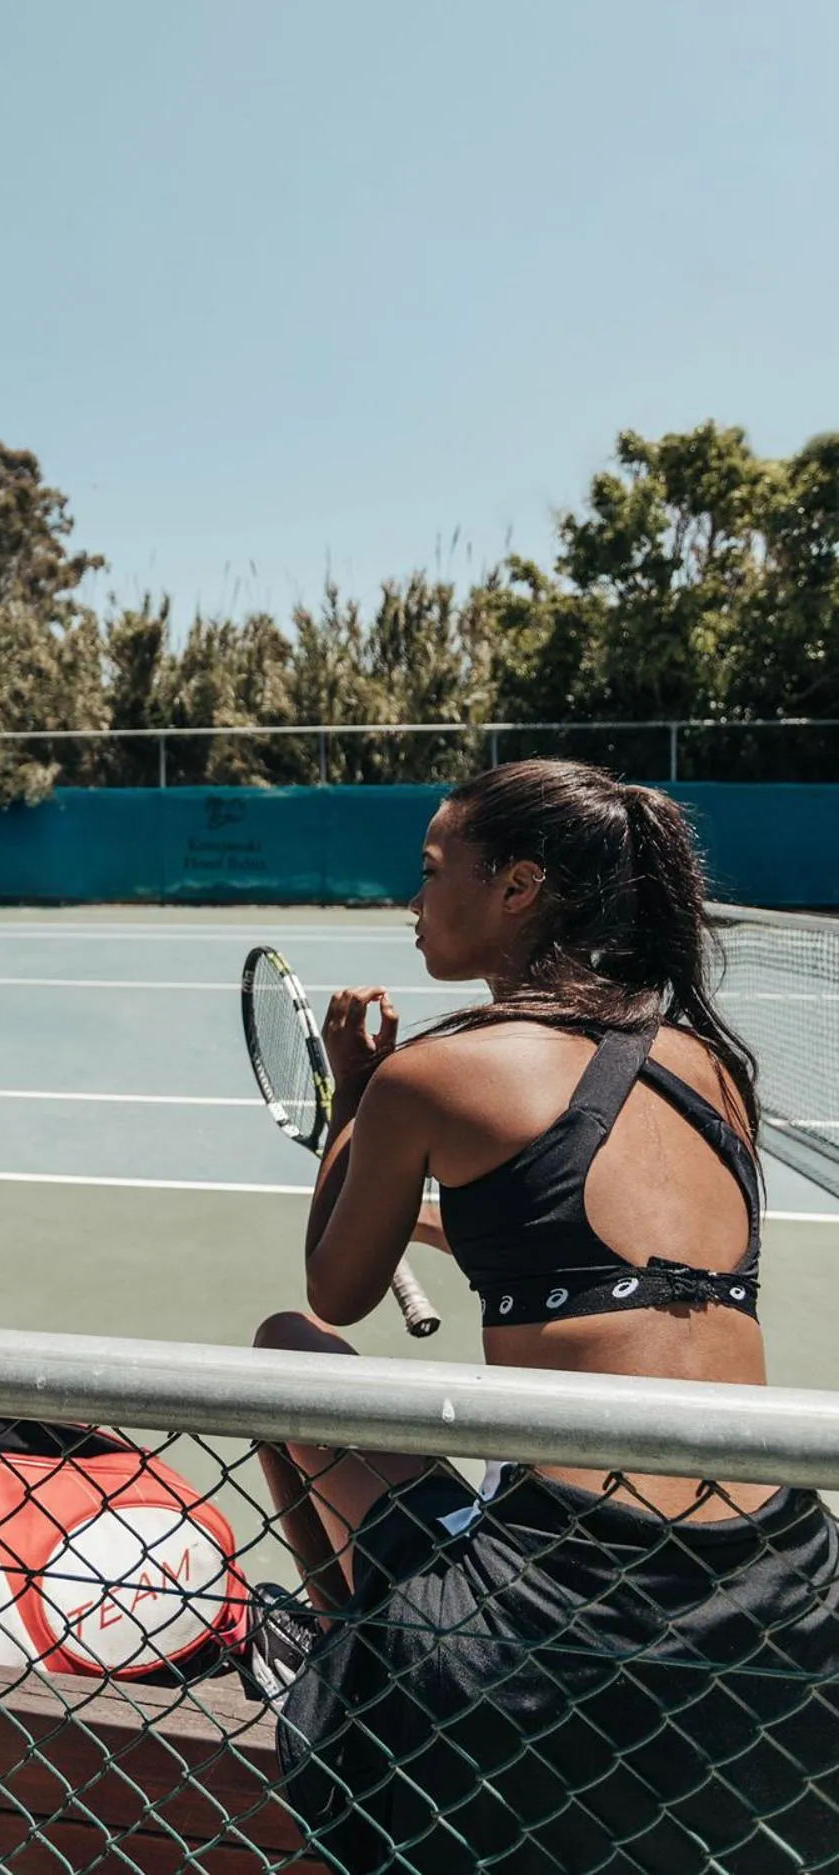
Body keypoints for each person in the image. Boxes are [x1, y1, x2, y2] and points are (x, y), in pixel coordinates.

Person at [254, 761, 839, 1871]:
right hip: (785, 1583)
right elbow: (613, 1267)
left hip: (566, 1600)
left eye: (432, 870)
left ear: (518, 886)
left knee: (283, 1349)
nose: (412, 899)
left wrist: (354, 1098)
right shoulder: (715, 1068)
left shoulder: (433, 1075)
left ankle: (348, 1647)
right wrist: (440, 1220)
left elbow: (335, 1289)